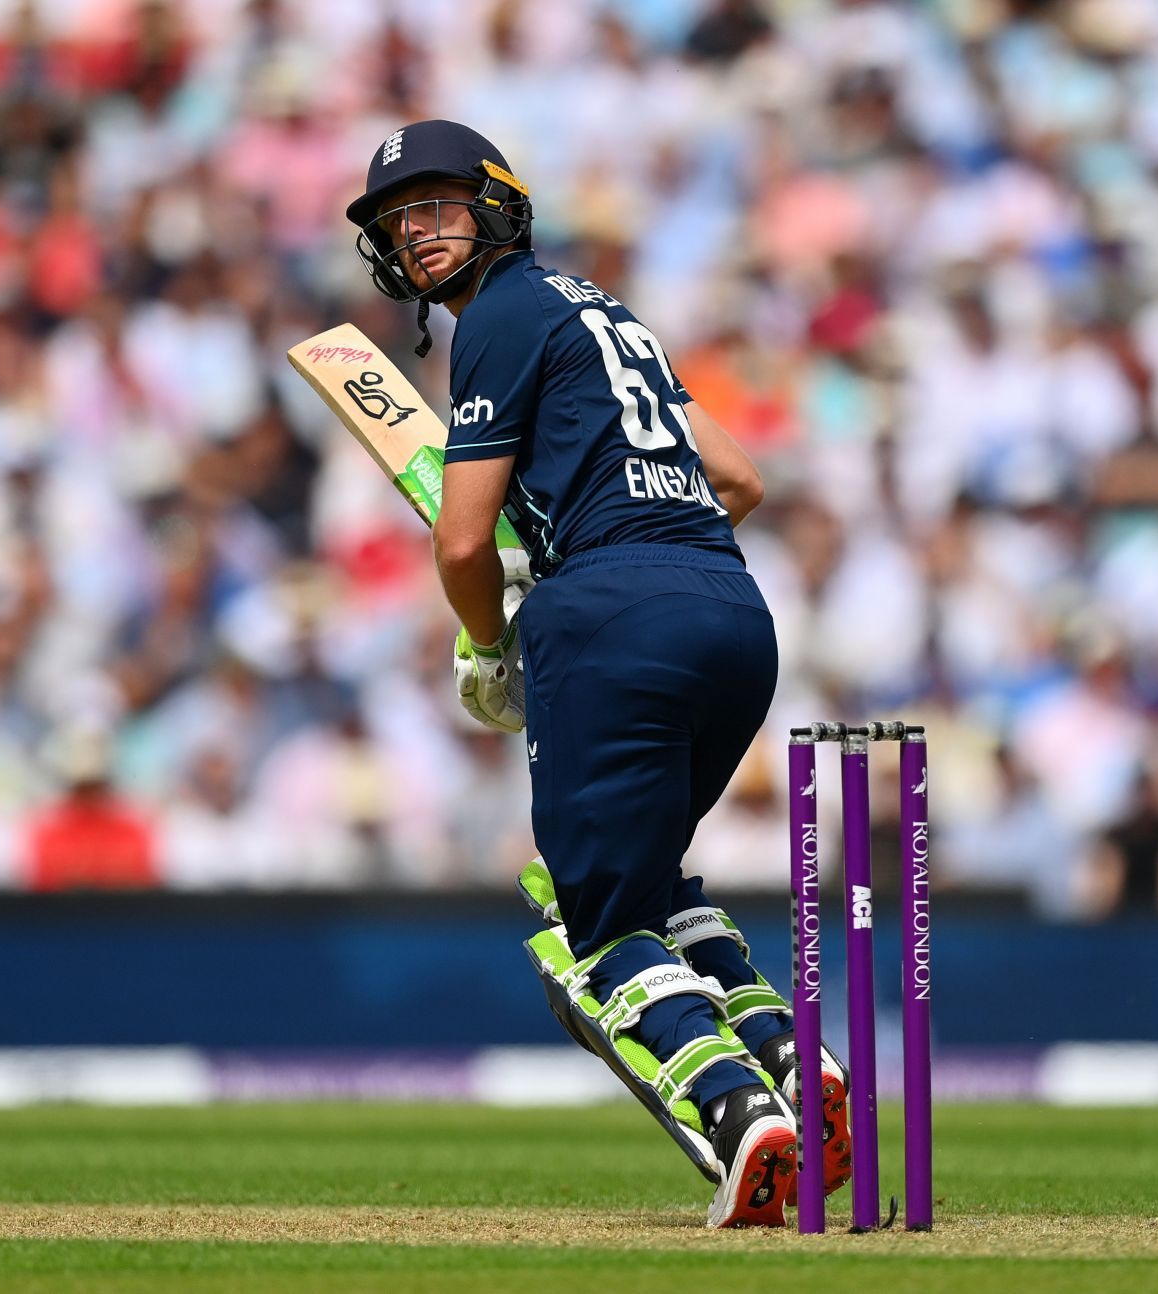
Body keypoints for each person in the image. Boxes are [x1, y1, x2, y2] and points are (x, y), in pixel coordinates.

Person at [343, 120, 848, 1228]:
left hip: (611, 620)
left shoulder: (501, 318)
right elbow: (742, 478)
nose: (418, 233)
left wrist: (489, 648)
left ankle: (736, 1110)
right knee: (649, 878)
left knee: (594, 926)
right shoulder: (604, 314)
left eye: (437, 207)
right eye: (398, 220)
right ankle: (788, 1060)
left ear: (496, 206)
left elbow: (465, 542)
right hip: (732, 612)